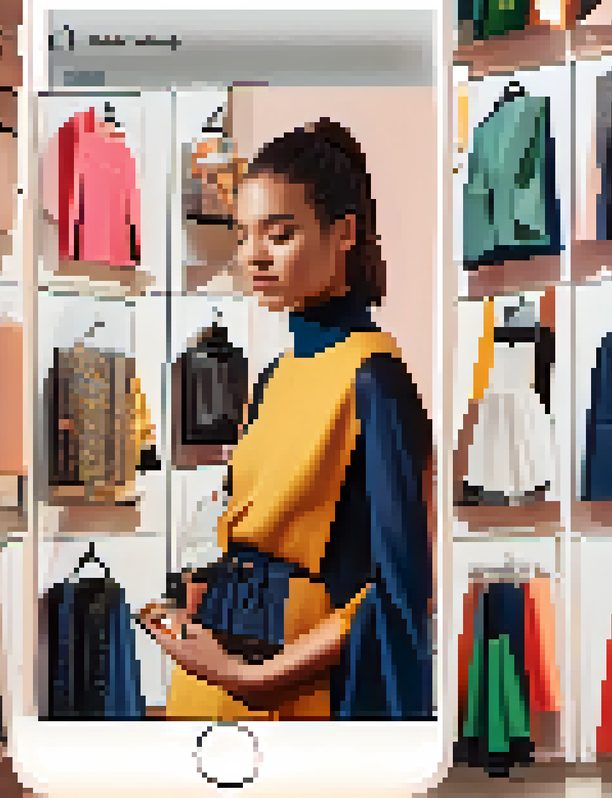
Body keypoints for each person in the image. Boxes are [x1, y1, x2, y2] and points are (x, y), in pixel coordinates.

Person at [139, 119, 434, 721]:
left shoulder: (373, 376)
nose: (253, 256)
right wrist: (191, 595)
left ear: (344, 231)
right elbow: (250, 529)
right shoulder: (274, 373)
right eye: (244, 234)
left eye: (280, 234)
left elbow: (393, 593)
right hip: (212, 672)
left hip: (288, 684)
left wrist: (252, 676)